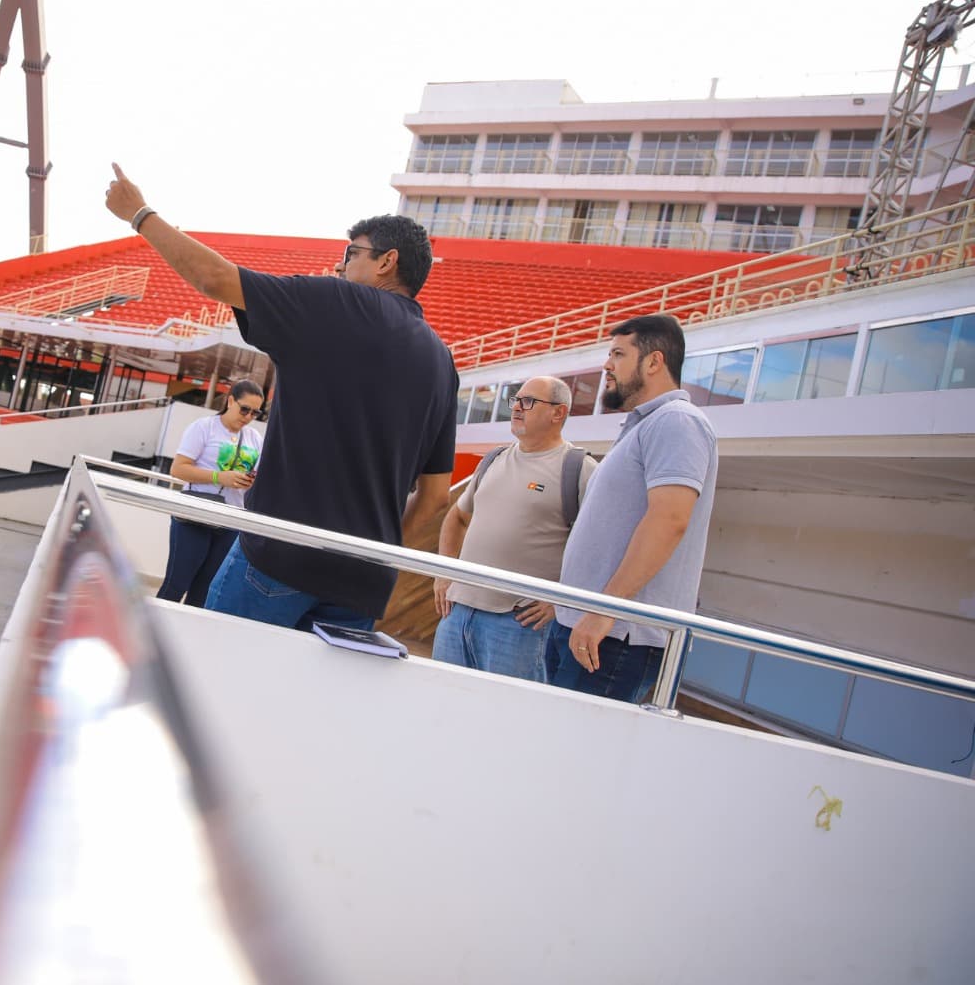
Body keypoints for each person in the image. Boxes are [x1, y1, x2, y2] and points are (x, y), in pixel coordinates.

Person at [105, 164, 457, 633]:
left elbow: (214, 278)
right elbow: (434, 495)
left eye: (351, 254)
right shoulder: (442, 361)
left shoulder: (337, 304)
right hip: (364, 582)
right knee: (293, 704)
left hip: (280, 556)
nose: (340, 265)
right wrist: (374, 551)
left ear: (387, 262)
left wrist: (139, 213)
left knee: (215, 681)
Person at [550, 313, 719, 703]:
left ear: (654, 362)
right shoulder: (644, 425)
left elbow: (670, 520)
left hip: (615, 636)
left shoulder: (677, 421)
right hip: (589, 625)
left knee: (574, 755)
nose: (607, 365)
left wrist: (603, 610)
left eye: (618, 354)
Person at [431, 376, 596, 682]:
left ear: (558, 413)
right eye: (516, 400)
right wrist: (444, 573)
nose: (517, 407)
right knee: (443, 708)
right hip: (457, 613)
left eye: (529, 401)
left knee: (506, 719)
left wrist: (560, 600)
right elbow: (456, 518)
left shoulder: (580, 469)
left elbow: (600, 547)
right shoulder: (494, 459)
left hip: (518, 624)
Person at [156, 380, 265, 607]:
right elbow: (178, 468)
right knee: (177, 583)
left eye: (255, 412)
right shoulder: (204, 427)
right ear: (231, 400)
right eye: (244, 409)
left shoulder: (254, 438)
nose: (248, 416)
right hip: (196, 513)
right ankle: (148, 637)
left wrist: (250, 481)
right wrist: (219, 477)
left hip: (230, 519)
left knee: (205, 590)